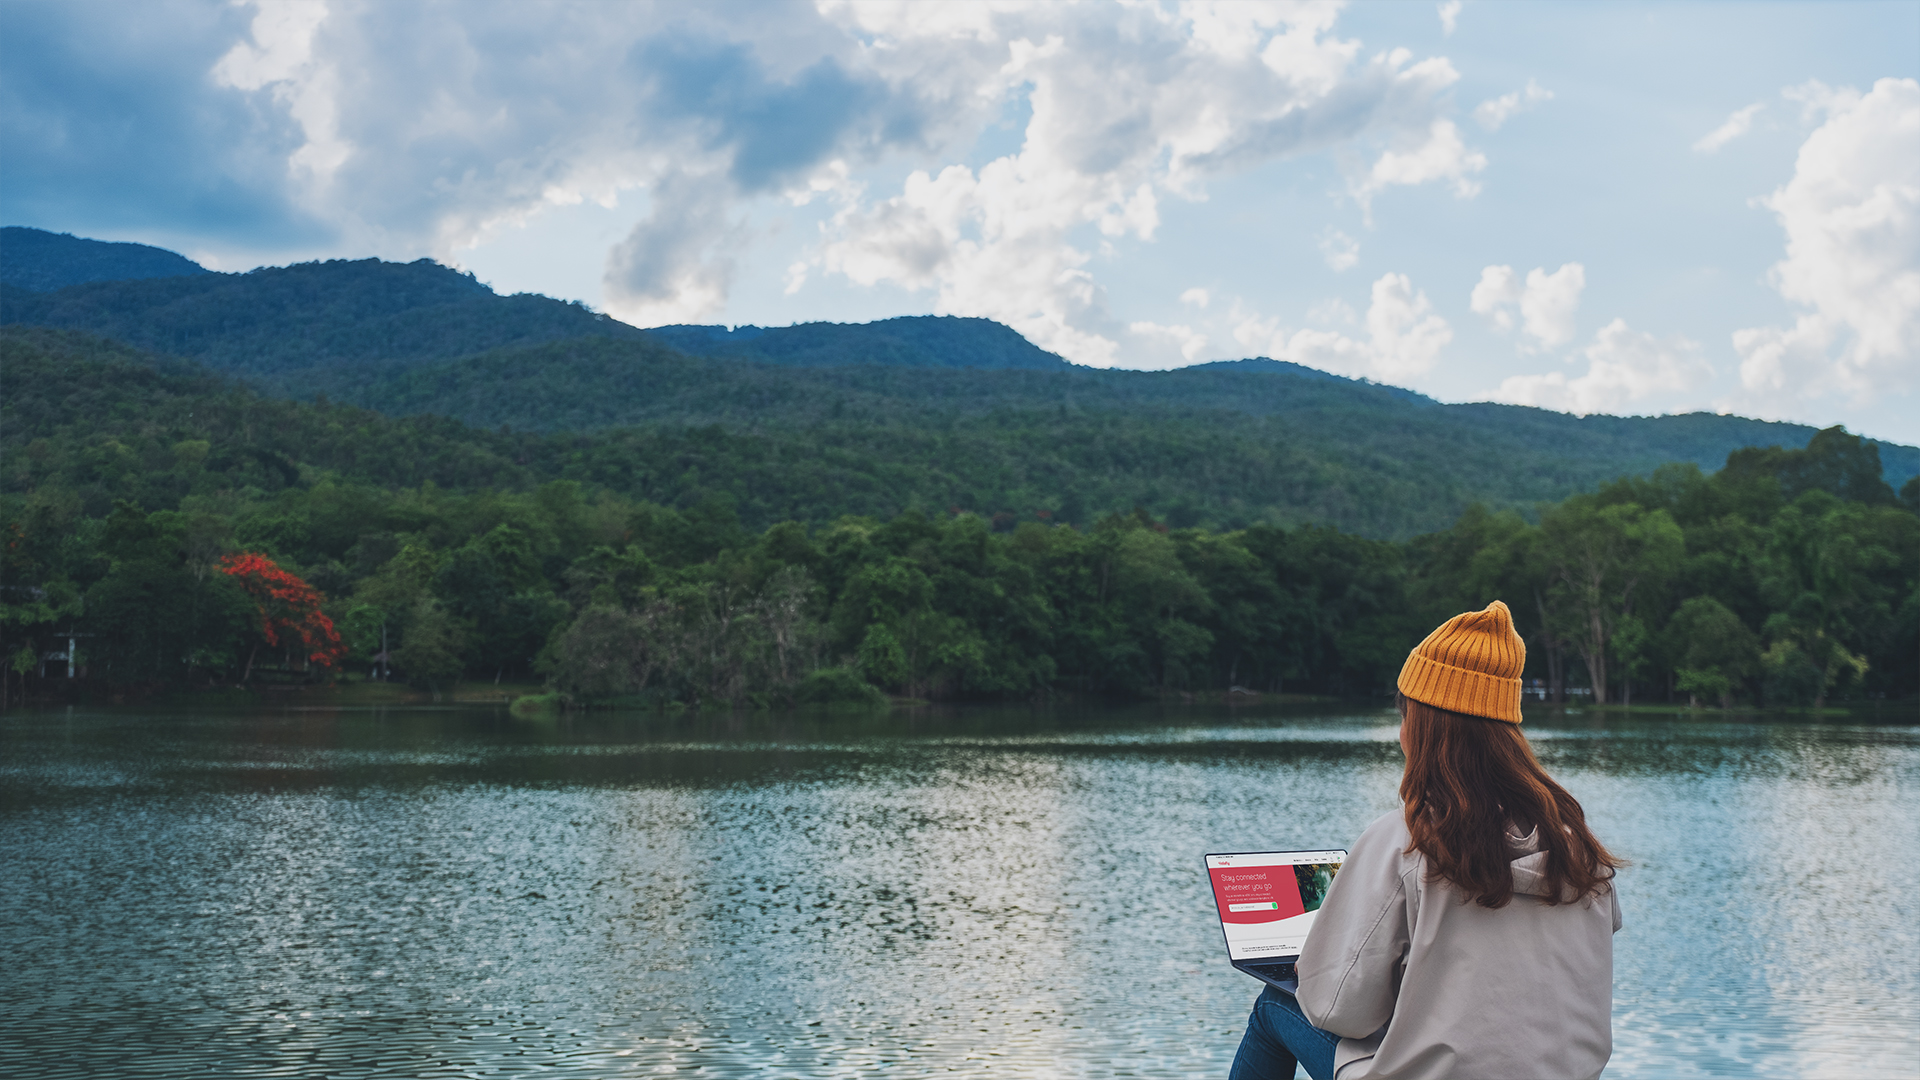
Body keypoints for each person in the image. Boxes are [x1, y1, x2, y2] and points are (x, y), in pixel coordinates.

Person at [1229, 600, 1625, 1080]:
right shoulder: (1578, 850)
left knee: (1276, 1007)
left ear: (1422, 725)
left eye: (1404, 716)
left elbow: (1340, 1012)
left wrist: (1311, 969)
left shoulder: (1407, 843)